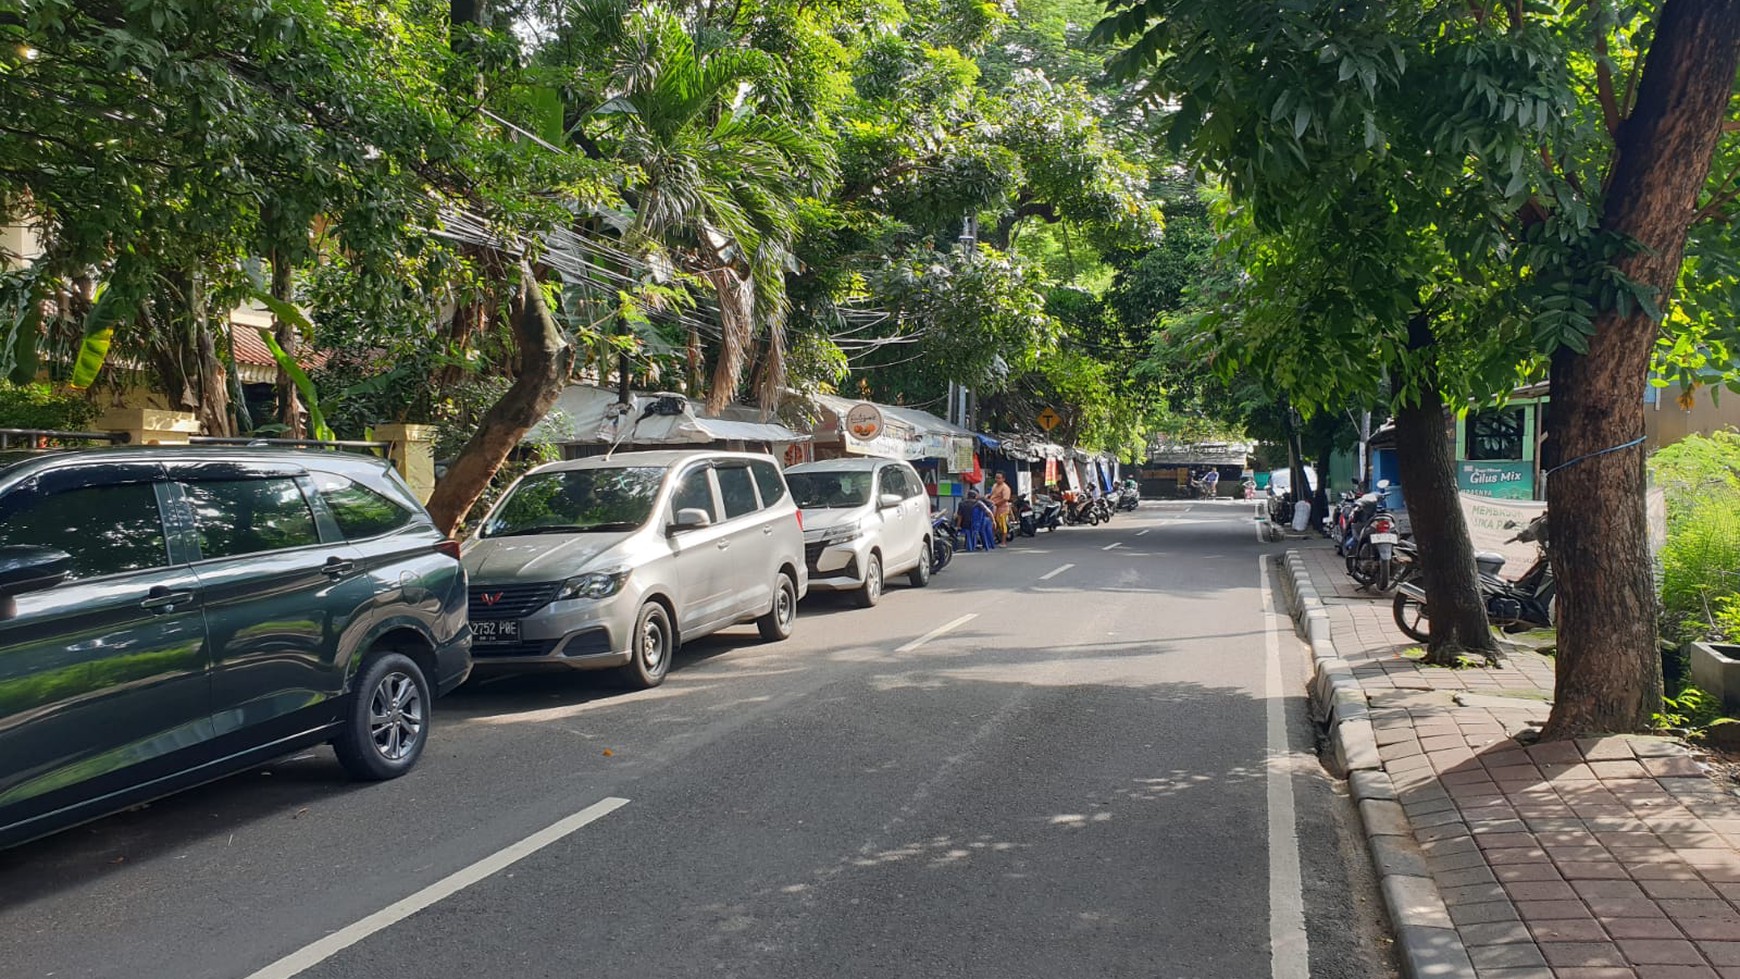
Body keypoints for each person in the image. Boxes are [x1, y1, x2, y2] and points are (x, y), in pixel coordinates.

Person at [989, 472, 1013, 542]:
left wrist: (996, 503)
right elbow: (992, 494)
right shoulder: (994, 485)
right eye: (996, 478)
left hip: (1002, 509)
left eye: (999, 478)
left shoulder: (1005, 488)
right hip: (994, 508)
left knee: (1002, 525)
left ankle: (1003, 542)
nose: (997, 479)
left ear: (1003, 479)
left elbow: (1005, 499)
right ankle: (992, 539)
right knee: (995, 524)